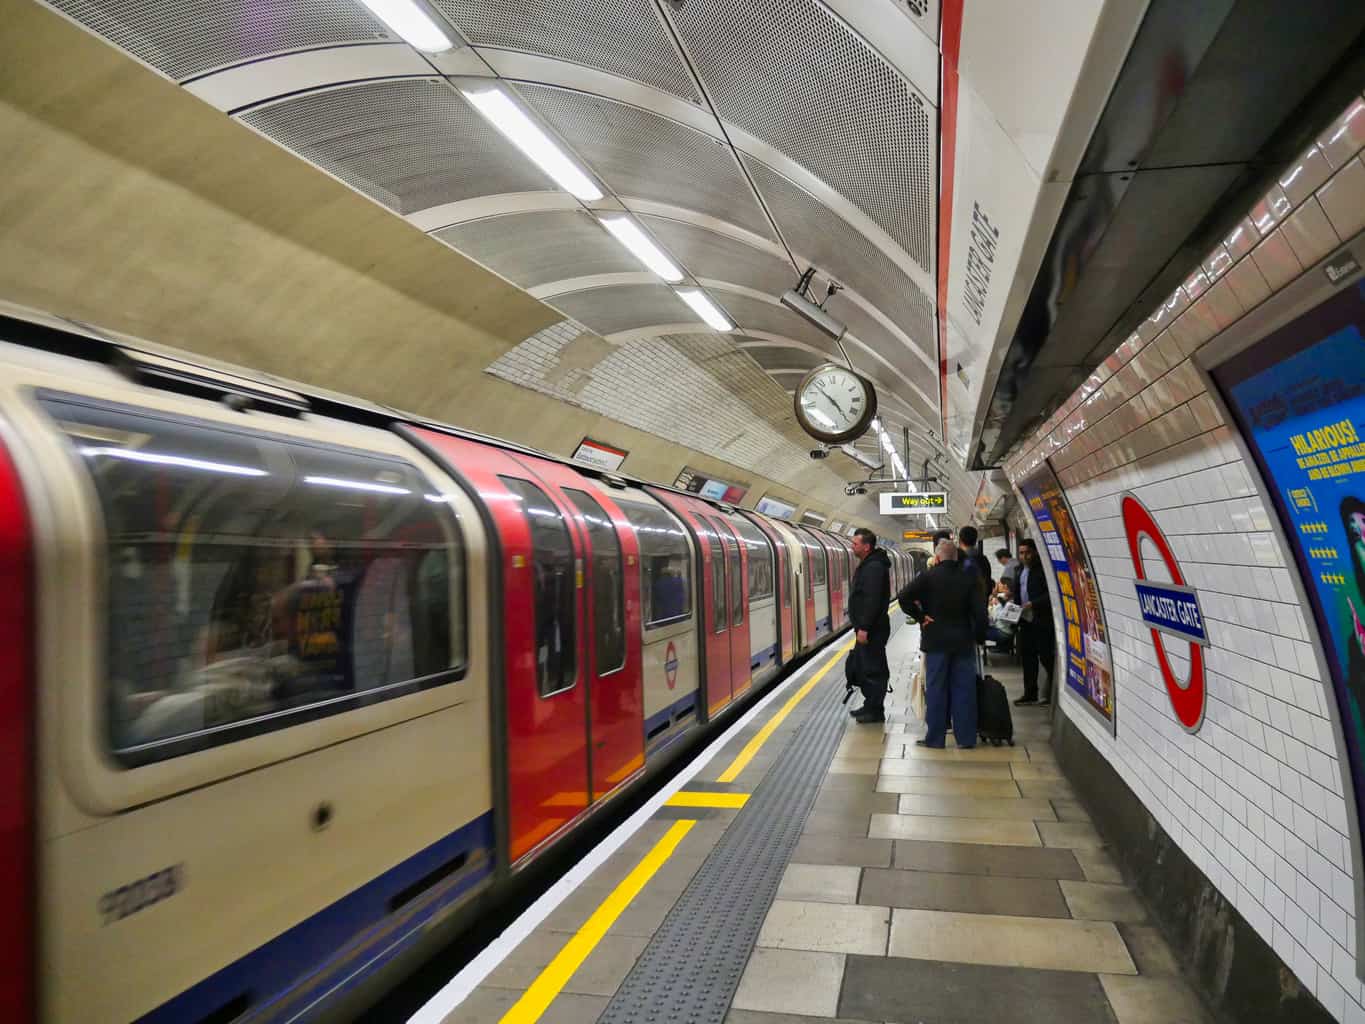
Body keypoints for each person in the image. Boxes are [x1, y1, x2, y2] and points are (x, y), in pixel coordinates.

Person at [898, 538, 985, 748]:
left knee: (936, 690)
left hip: (936, 641)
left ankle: (935, 739)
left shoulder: (928, 577)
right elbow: (980, 612)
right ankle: (966, 739)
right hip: (963, 642)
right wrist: (979, 637)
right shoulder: (969, 578)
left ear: (937, 557)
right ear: (956, 557)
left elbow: (903, 597)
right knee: (964, 690)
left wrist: (921, 616)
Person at [846, 527, 892, 724]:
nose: (852, 547)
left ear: (866, 546)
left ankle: (874, 710)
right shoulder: (870, 564)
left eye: (855, 544)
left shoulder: (873, 567)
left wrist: (864, 627)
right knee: (867, 666)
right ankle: (870, 705)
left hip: (872, 629)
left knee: (873, 669)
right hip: (871, 628)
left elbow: (871, 600)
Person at [1012, 538, 1055, 706]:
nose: (1024, 556)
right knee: (1028, 657)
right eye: (1021, 553)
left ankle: (1051, 693)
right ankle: (1030, 693)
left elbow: (1050, 595)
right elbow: (1018, 593)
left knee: (1045, 657)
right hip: (1025, 620)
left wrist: (1033, 603)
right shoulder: (1020, 570)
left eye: (1027, 552)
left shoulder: (1043, 571)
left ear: (1035, 552)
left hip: (1041, 620)